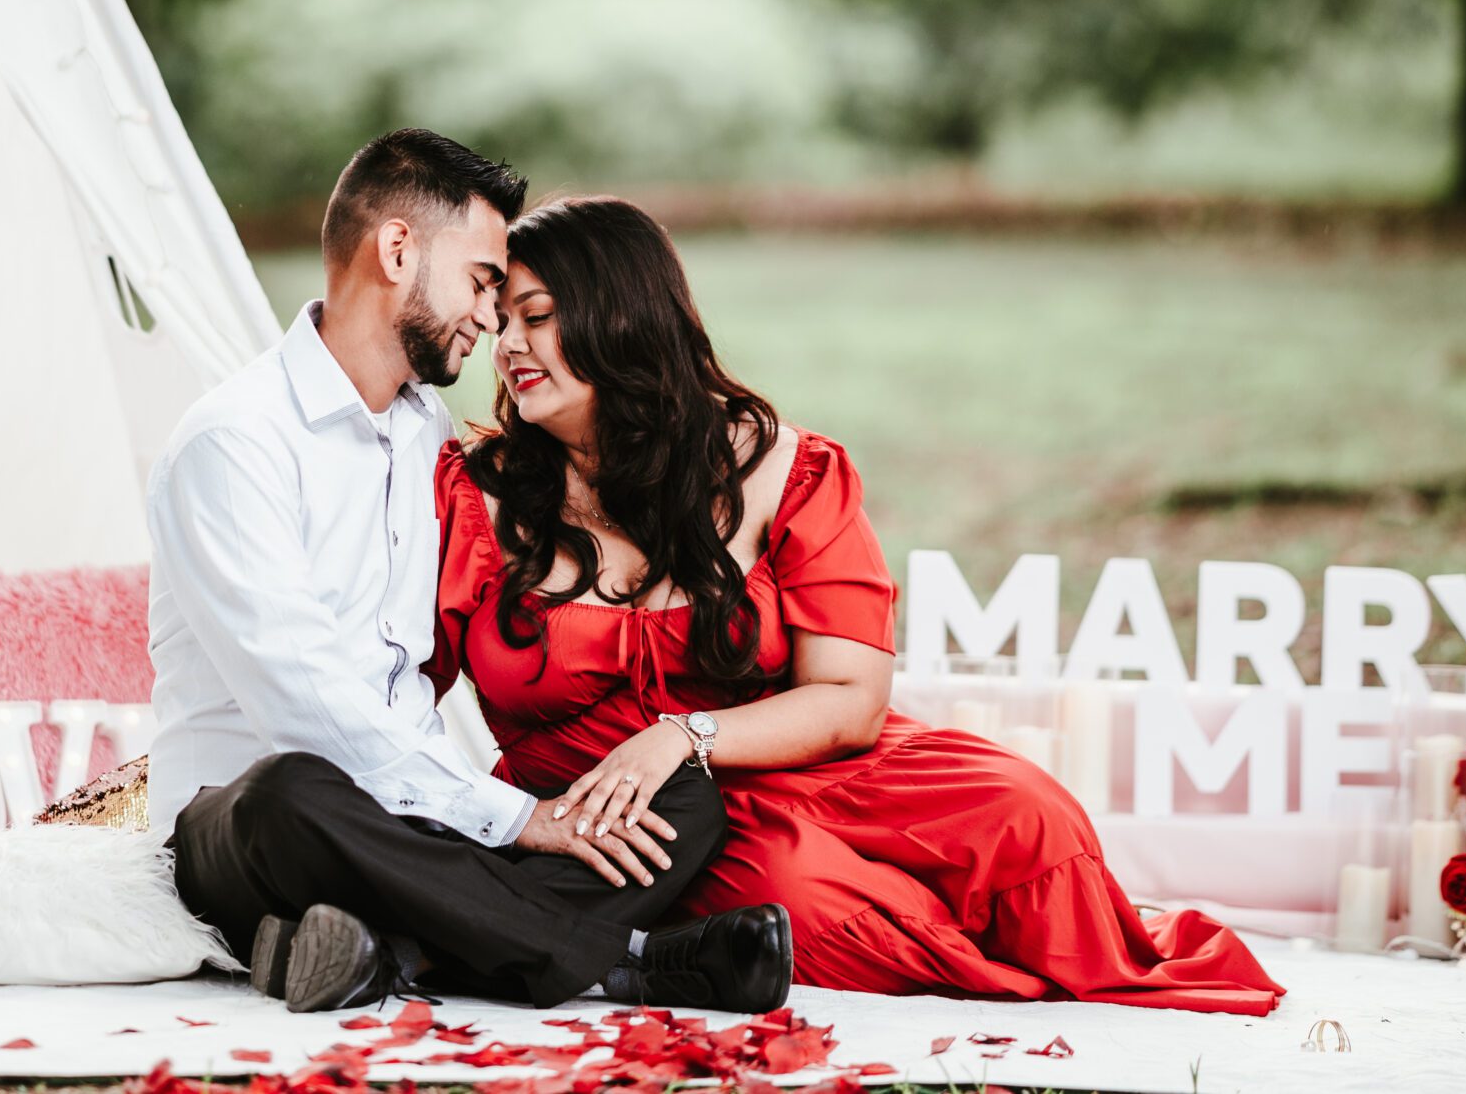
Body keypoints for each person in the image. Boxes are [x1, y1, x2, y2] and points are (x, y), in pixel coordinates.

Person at [431, 195, 1286, 1014]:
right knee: (812, 902)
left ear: (623, 315)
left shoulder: (775, 465)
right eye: (500, 317)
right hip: (646, 813)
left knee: (1031, 814)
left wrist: (684, 732)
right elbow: (401, 684)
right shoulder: (474, 495)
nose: (506, 343)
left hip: (785, 751)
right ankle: (955, 964)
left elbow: (850, 698)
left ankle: (1077, 952)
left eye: (535, 314)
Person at [147, 131, 792, 1014]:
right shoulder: (236, 443)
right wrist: (520, 820)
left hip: (420, 828)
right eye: (486, 281)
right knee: (293, 786)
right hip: (254, 825)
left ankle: (395, 947)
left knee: (683, 802)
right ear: (398, 250)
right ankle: (629, 961)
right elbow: (306, 702)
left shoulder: (432, 442)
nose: (493, 320)